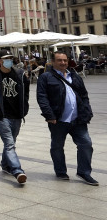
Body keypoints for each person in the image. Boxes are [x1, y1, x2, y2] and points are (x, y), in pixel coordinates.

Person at [36, 52, 97, 185]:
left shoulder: (74, 76)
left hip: (78, 119)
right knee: (57, 146)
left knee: (86, 144)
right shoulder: (46, 77)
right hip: (58, 120)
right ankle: (61, 171)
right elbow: (42, 97)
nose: (63, 63)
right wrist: (49, 115)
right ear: (53, 62)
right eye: (59, 60)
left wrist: (87, 111)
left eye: (65, 60)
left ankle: (84, 172)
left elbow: (84, 95)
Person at [0, 50, 30, 184]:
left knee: (11, 142)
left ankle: (5, 164)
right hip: (2, 115)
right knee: (9, 144)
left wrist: (25, 105)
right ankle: (17, 171)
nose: (9, 60)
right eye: (6, 58)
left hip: (17, 114)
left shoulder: (19, 74)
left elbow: (26, 90)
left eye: (10, 58)